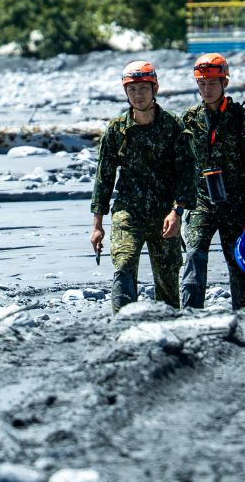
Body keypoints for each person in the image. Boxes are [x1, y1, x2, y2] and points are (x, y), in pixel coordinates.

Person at [90, 60, 194, 310]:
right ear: (126, 92)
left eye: (143, 89)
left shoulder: (173, 125)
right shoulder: (116, 130)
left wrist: (177, 211)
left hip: (165, 213)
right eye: (132, 89)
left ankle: (170, 330)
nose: (138, 95)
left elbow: (187, 172)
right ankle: (123, 324)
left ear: (154, 89)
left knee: (168, 278)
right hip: (128, 211)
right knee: (123, 265)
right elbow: (104, 177)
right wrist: (97, 226)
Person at [178, 52, 245, 310]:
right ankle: (191, 314)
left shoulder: (241, 118)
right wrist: (178, 206)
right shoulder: (189, 118)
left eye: (212, 83)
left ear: (224, 83)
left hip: (237, 204)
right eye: (202, 83)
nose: (207, 88)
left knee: (238, 264)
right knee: (193, 255)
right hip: (202, 201)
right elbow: (181, 164)